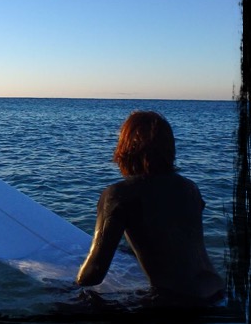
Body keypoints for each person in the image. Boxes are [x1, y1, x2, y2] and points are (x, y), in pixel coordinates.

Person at [75, 110, 224, 302]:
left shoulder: (118, 194)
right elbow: (172, 242)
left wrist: (67, 282)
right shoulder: (190, 188)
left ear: (126, 149)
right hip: (218, 293)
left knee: (69, 302)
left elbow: (92, 275)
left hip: (178, 302)